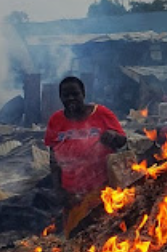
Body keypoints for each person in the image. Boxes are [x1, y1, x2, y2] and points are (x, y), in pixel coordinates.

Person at [44, 76, 128, 206]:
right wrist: (59, 191)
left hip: (104, 190)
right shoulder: (55, 120)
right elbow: (53, 160)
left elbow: (122, 141)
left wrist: (113, 136)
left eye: (75, 94)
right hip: (72, 194)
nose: (71, 98)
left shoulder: (101, 113)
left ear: (83, 94)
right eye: (66, 95)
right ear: (60, 97)